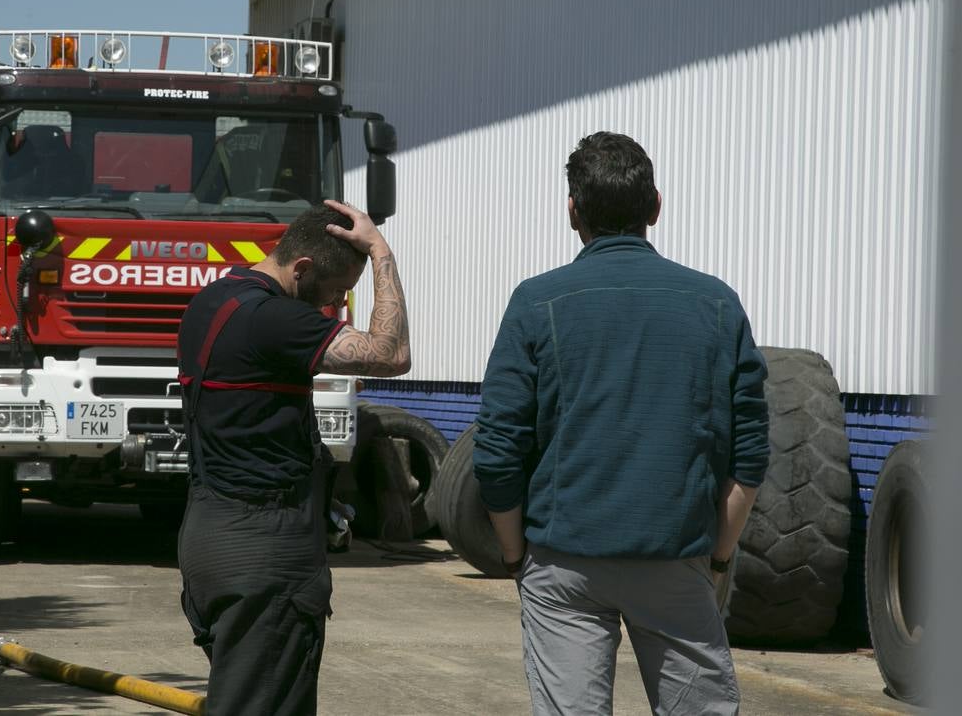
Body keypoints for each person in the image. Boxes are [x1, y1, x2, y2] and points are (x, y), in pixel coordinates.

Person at [472, 132, 769, 716]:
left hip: (563, 563)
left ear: (572, 212)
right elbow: (750, 453)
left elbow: (498, 449)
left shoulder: (537, 302)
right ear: (655, 206)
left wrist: (515, 557)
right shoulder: (716, 304)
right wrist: (714, 560)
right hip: (675, 558)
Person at [176, 199, 410, 716]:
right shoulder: (272, 319)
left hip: (211, 530)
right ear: (302, 269)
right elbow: (391, 353)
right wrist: (381, 256)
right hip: (265, 550)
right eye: (334, 290)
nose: (334, 303)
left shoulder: (213, 301)